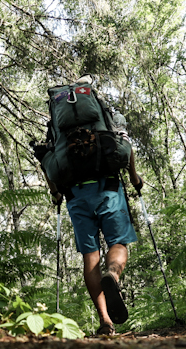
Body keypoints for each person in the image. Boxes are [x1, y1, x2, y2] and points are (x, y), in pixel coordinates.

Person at [47, 128, 142, 336]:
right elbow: (126, 148)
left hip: (76, 196)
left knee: (90, 257)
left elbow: (48, 161)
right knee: (118, 242)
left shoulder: (57, 130)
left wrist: (55, 193)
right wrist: (135, 179)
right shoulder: (106, 119)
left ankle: (105, 320)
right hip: (108, 188)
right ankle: (113, 274)